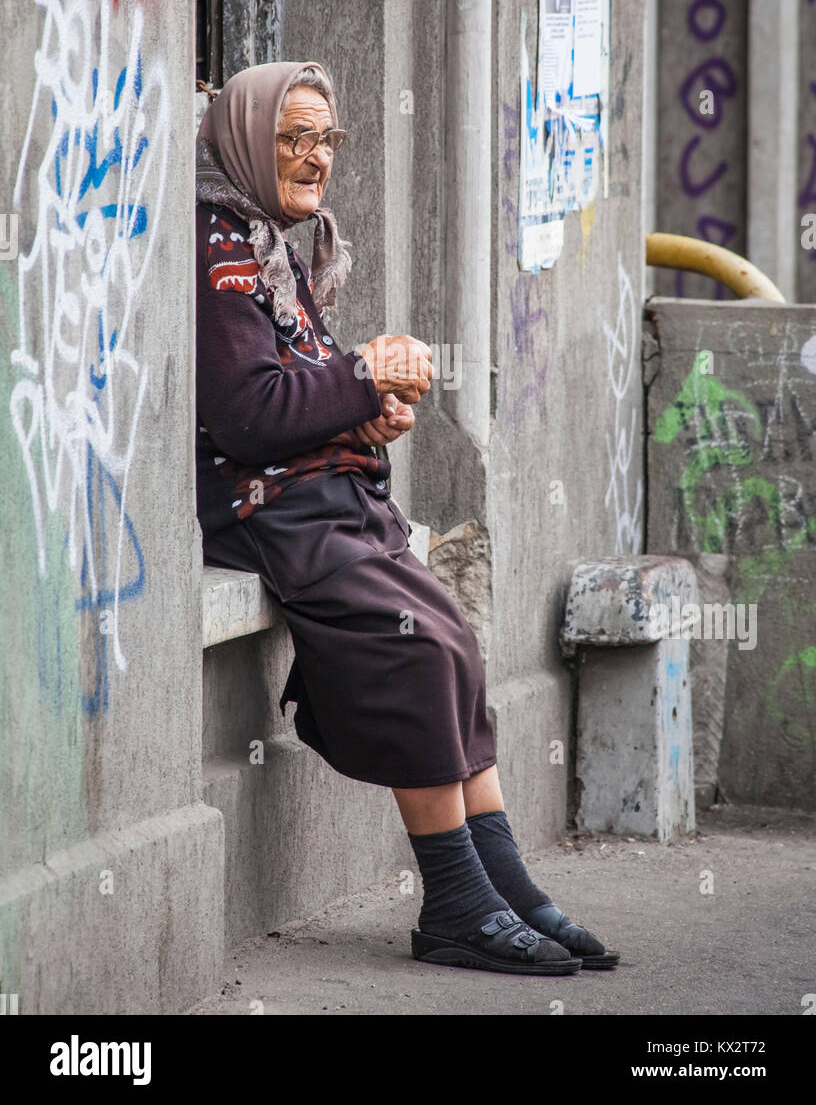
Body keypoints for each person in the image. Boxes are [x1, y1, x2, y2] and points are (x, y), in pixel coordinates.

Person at [194, 60, 619, 975]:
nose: (313, 160)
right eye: (291, 139)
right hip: (270, 509)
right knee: (414, 648)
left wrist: (363, 408)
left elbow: (296, 391)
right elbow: (244, 413)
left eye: (326, 141)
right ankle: (457, 903)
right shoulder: (221, 245)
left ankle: (503, 882)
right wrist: (358, 376)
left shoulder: (273, 236)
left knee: (454, 638)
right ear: (245, 141)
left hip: (326, 499)